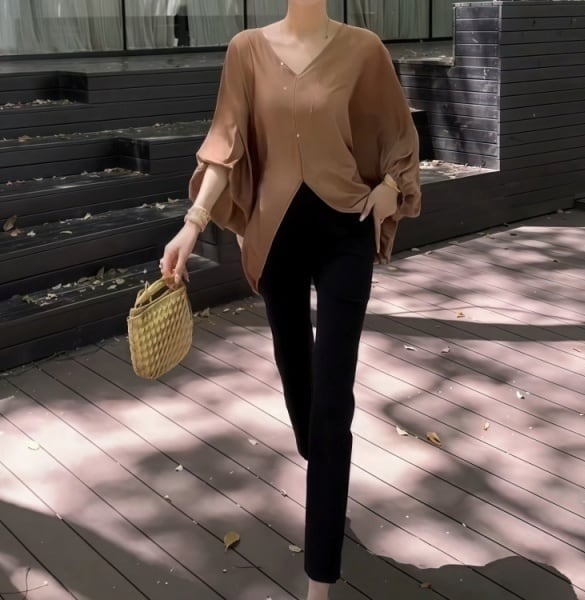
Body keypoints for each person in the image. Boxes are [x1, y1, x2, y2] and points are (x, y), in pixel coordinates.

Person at [159, 1, 421, 598]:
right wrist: (192, 225)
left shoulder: (364, 49)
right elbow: (225, 145)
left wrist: (390, 187)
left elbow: (398, 133)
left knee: (332, 399)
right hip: (276, 240)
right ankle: (325, 470)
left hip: (346, 234)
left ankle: (319, 579)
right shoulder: (247, 50)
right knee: (299, 383)